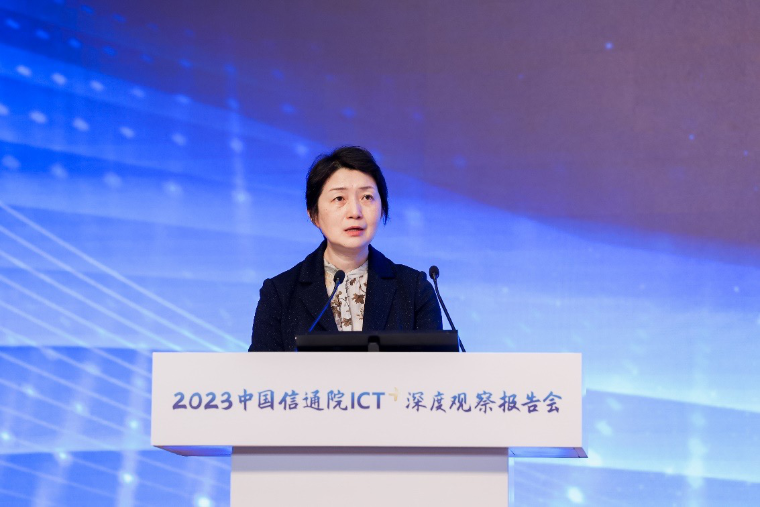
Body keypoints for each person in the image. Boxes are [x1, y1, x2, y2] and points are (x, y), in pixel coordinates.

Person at [248, 146, 442, 351]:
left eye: (367, 197)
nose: (355, 212)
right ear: (313, 214)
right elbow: (261, 370)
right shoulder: (279, 294)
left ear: (382, 207)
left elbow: (437, 367)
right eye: (339, 198)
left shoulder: (414, 290)